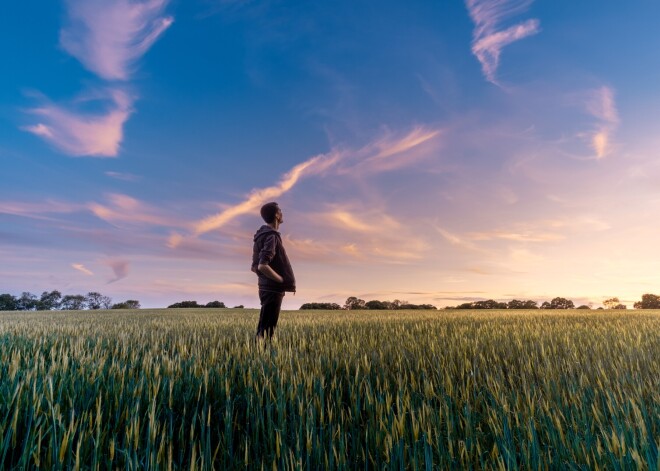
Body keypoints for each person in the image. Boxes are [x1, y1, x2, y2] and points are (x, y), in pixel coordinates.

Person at [251, 202, 296, 344]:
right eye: (280, 211)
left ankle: (257, 355)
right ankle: (261, 359)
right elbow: (262, 265)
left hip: (264, 288)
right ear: (276, 215)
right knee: (267, 330)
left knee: (264, 327)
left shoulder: (260, 236)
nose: (282, 213)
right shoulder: (271, 236)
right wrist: (280, 280)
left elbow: (254, 267)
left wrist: (265, 280)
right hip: (272, 289)